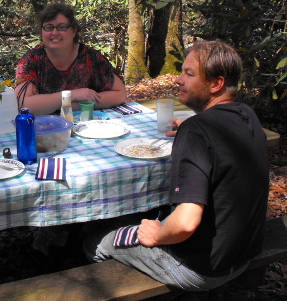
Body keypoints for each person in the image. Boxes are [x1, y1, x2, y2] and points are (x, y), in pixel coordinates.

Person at [83, 41, 269, 293]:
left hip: (198, 268)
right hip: (242, 254)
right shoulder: (246, 113)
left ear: (217, 84)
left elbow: (185, 223)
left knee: (94, 241)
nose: (178, 80)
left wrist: (158, 235)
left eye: (189, 74)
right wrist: (191, 128)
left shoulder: (197, 131)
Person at [15, 3, 127, 114]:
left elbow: (120, 94)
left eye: (62, 27)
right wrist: (72, 95)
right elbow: (23, 104)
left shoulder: (91, 58)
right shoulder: (31, 60)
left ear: (74, 31)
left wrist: (70, 105)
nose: (54, 33)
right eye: (49, 27)